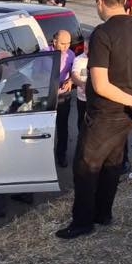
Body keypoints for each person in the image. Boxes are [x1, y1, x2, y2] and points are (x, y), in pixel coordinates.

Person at [56, 0, 132, 239]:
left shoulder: (102, 34)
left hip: (105, 113)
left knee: (86, 165)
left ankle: (83, 222)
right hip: (126, 116)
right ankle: (103, 213)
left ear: (100, 1)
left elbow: (101, 85)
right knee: (112, 163)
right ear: (124, 0)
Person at [49, 30, 76, 167]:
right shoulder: (44, 53)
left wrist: (70, 80)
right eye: (63, 44)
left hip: (63, 96)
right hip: (48, 96)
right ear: (55, 42)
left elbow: (74, 73)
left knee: (62, 126)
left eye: (68, 43)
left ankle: (61, 154)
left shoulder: (71, 55)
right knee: (46, 127)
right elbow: (36, 74)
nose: (66, 47)